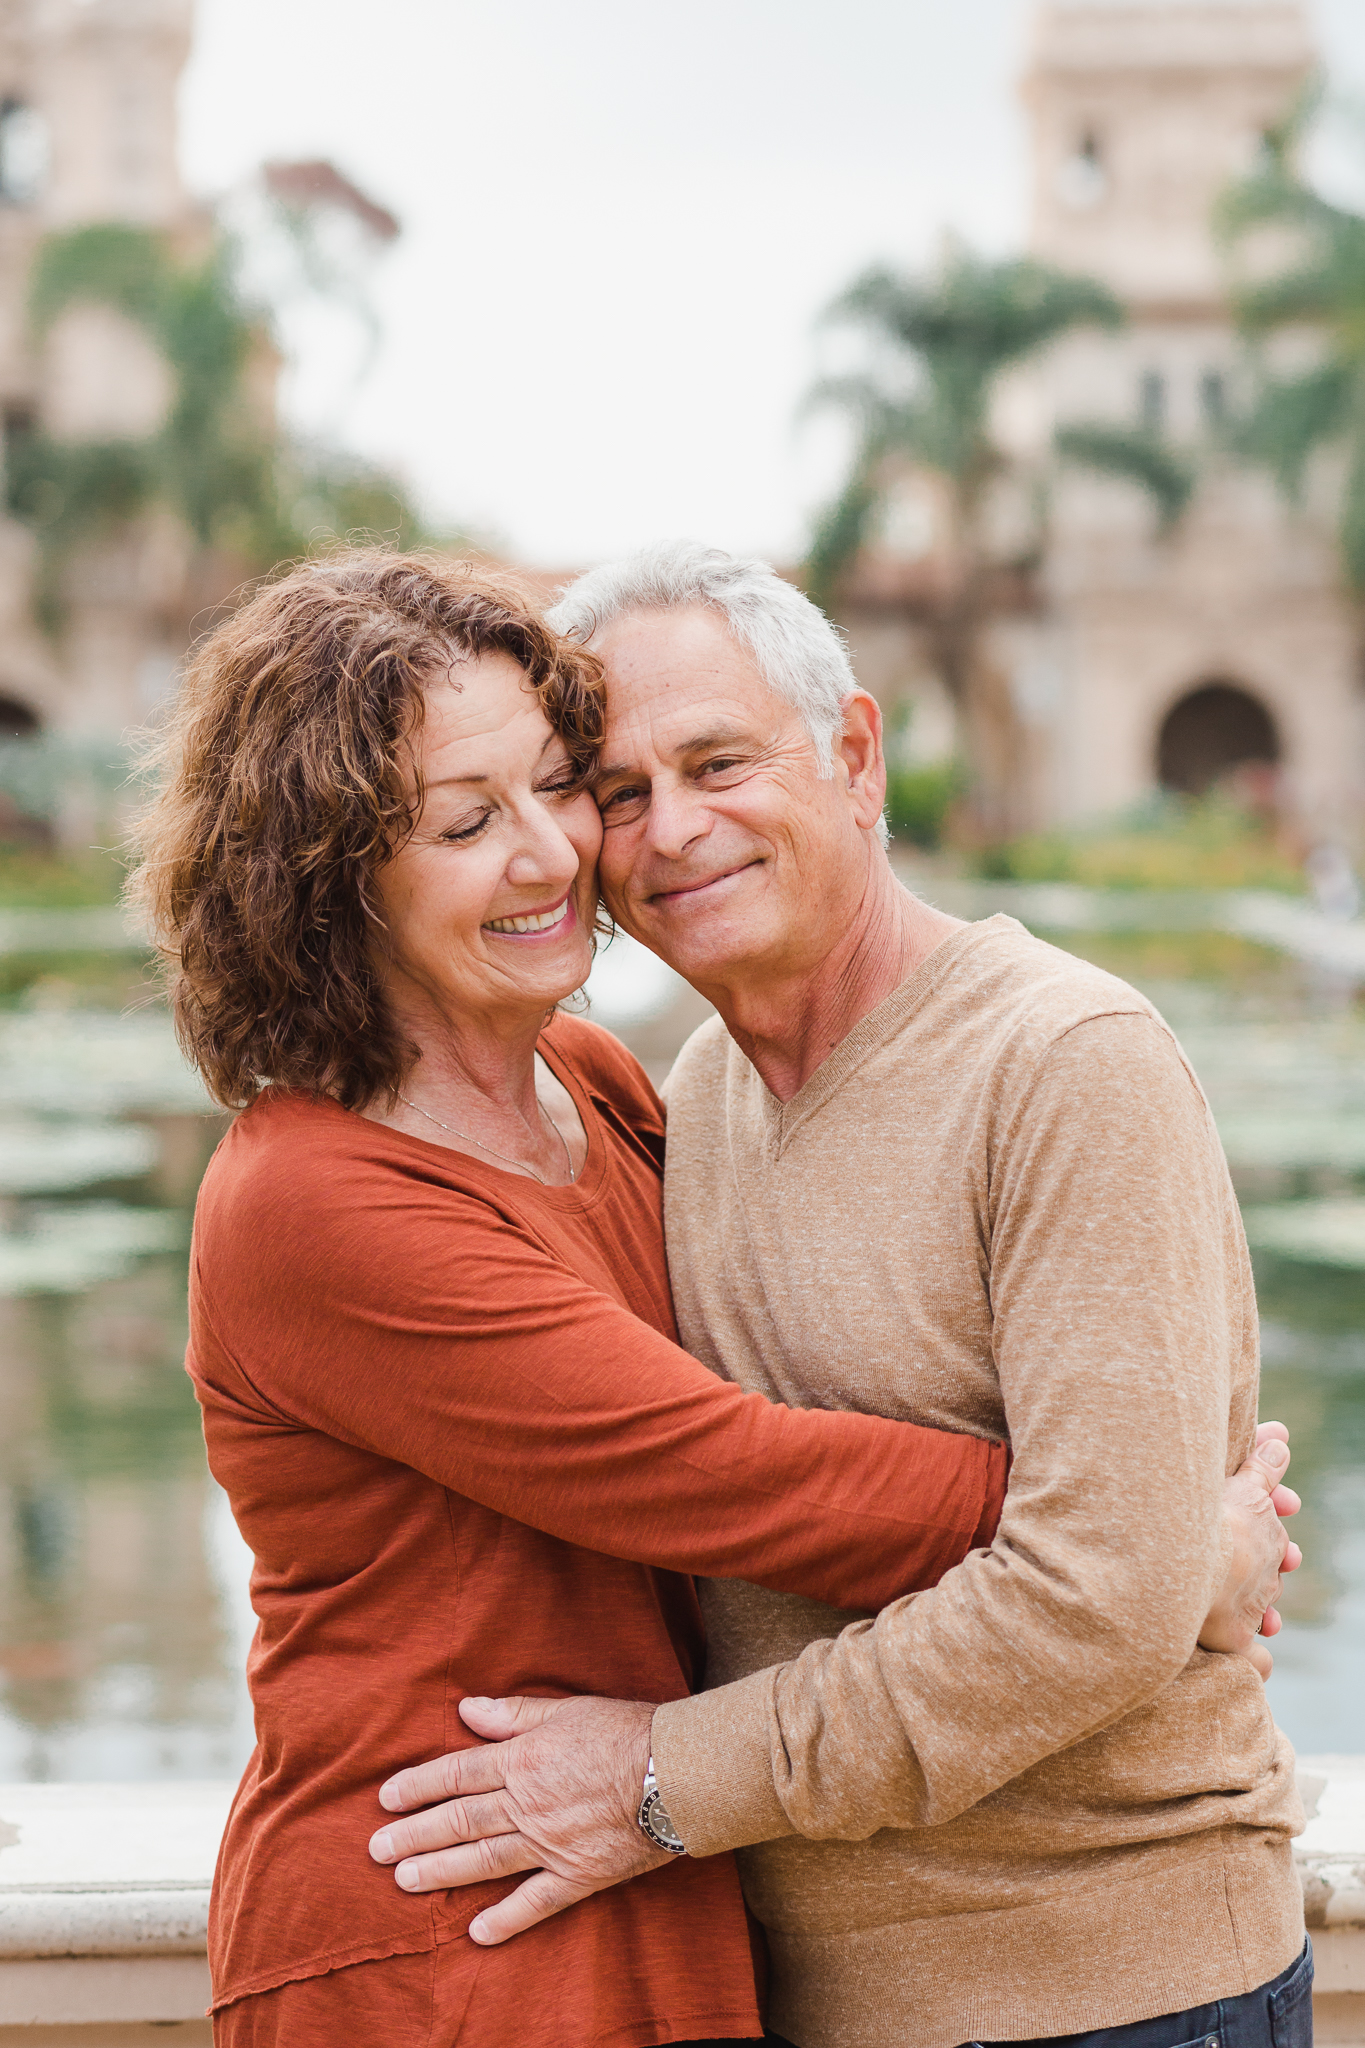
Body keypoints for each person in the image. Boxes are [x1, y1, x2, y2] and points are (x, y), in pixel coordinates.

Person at [371, 543, 1310, 2048]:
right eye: (617, 792)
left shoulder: (1066, 1062)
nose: (671, 829)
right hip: (798, 1992)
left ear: (853, 756)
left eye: (718, 762)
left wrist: (665, 1780)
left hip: (1113, 1992)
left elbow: (1089, 1599)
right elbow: (731, 1505)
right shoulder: (693, 1097)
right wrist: (1174, 1557)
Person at [132, 546, 1046, 2048]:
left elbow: (804, 1337)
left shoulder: (597, 1082)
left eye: (557, 785)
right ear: (327, 876)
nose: (553, 855)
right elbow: (730, 1475)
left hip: (637, 1854)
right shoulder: (311, 1200)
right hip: (437, 1922)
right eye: (460, 822)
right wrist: (1107, 1525)